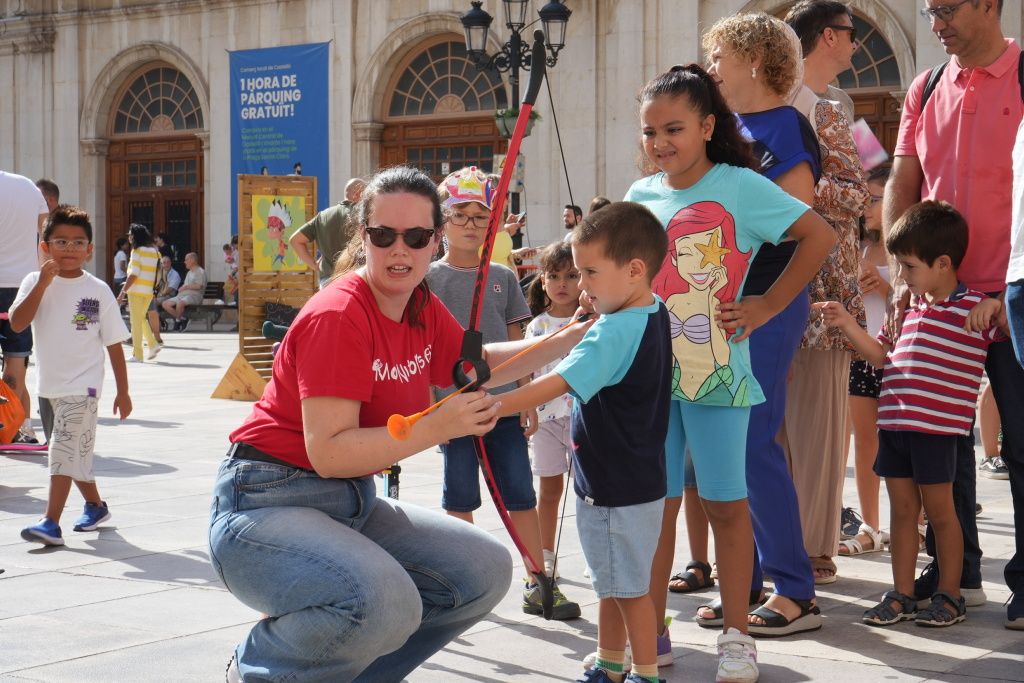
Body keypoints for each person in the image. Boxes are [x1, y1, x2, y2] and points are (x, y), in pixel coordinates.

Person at [209, 166, 592, 681]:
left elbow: (476, 365)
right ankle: (258, 669)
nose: (399, 250)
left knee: (483, 570)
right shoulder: (339, 314)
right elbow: (330, 451)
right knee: (384, 601)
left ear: (435, 241)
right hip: (265, 501)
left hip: (350, 502)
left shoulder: (419, 304)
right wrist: (438, 426)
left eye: (415, 237)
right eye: (383, 235)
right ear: (361, 236)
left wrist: (572, 336)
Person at [626, 64, 834, 682]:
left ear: (707, 126)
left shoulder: (740, 185)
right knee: (656, 510)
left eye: (674, 128)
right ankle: (652, 633)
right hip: (651, 382)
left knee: (726, 505)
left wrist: (768, 305)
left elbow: (815, 235)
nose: (661, 142)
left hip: (719, 377)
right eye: (650, 131)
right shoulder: (641, 198)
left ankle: (738, 638)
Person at [885, 0, 1023, 626]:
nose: (935, 20)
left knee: (1020, 442)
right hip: (939, 300)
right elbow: (902, 179)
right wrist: (899, 273)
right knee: (942, 441)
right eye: (928, 8)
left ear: (989, 5)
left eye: (947, 7)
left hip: (1013, 293)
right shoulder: (926, 84)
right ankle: (954, 574)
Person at [496, 202, 672, 683]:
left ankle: (646, 674)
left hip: (615, 485)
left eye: (590, 273)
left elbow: (553, 385)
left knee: (628, 589)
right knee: (612, 583)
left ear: (635, 270)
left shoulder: (613, 331)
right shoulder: (650, 310)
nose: (582, 286)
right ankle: (611, 664)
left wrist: (490, 406)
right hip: (636, 478)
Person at [816, 200, 1006, 627]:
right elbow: (882, 358)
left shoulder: (972, 308)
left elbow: (1007, 323)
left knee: (942, 514)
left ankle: (951, 595)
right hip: (897, 427)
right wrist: (848, 323)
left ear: (943, 264)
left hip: (938, 431)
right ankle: (901, 593)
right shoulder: (908, 308)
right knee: (903, 513)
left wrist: (995, 305)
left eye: (908, 267)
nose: (900, 278)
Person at [700, 12, 825, 635]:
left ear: (753, 57)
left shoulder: (786, 128)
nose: (713, 69)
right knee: (728, 444)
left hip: (766, 303)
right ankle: (741, 582)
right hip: (726, 304)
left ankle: (794, 589)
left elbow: (800, 228)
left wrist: (766, 306)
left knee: (755, 439)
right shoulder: (730, 129)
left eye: (719, 56)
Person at [427, 166, 582, 621]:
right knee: (459, 494)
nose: (472, 224)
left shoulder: (502, 275)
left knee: (519, 490)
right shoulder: (430, 279)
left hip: (503, 406)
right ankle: (465, 576)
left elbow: (521, 343)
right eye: (461, 215)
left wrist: (527, 398)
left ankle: (538, 578)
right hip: (452, 405)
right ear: (443, 223)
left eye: (481, 216)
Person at [782, 0, 869, 586]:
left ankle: (815, 544)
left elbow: (863, 191)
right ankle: (781, 541)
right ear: (824, 38)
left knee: (819, 421)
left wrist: (797, 193)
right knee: (774, 426)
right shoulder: (762, 107)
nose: (856, 45)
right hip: (762, 281)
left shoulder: (839, 112)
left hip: (826, 288)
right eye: (849, 34)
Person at [11, 205, 131, 546]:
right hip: (48, 387)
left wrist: (123, 391)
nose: (70, 249)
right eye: (61, 241)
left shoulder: (98, 290)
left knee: (61, 451)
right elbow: (19, 322)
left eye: (78, 242)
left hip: (85, 386)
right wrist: (44, 283)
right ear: (45, 246)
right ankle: (95, 505)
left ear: (90, 249)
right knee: (70, 453)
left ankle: (50, 522)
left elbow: (114, 344)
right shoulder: (34, 281)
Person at [841, 165, 892, 557]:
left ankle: (919, 523)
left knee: (906, 444)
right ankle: (871, 526)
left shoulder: (908, 244)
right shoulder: (857, 246)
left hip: (902, 355)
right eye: (866, 198)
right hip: (862, 352)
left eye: (874, 198)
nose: (867, 206)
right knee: (866, 441)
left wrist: (889, 285)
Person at [523, 241, 581, 579]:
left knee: (589, 493)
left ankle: (595, 554)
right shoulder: (537, 325)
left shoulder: (589, 321)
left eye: (571, 275)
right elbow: (527, 372)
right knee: (548, 490)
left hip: (582, 420)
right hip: (545, 421)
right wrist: (527, 407)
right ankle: (545, 555)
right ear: (543, 280)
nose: (562, 283)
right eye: (554, 276)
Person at [0, 170, 50, 444]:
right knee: (16, 358)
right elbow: (45, 240)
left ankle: (14, 428)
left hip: (20, 284)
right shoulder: (28, 188)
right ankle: (10, 429)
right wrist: (44, 283)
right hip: (20, 286)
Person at [784, 0, 857, 122]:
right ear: (830, 36)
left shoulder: (844, 99)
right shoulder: (779, 101)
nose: (855, 45)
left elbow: (859, 142)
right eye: (852, 34)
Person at [291, 177, 366, 287]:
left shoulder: (322, 216)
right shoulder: (363, 215)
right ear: (358, 193)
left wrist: (314, 265)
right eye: (367, 194)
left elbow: (295, 240)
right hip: (355, 279)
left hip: (327, 280)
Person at [116, 224, 160, 362]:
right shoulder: (155, 252)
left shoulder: (136, 251)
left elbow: (134, 274)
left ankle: (138, 355)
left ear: (134, 236)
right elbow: (158, 274)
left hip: (135, 291)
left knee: (135, 322)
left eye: (130, 234)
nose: (129, 237)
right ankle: (152, 345)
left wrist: (123, 292)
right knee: (140, 319)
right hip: (148, 291)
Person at [161, 252, 207, 331]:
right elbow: (186, 285)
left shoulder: (200, 271)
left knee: (180, 303)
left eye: (186, 260)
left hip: (195, 295)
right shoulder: (189, 272)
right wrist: (182, 288)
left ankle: (178, 321)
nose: (184, 262)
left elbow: (199, 286)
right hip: (183, 295)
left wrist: (185, 287)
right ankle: (182, 319)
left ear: (192, 260)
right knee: (165, 304)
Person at [147, 255, 181, 345]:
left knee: (152, 303)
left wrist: (160, 294)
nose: (164, 265)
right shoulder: (159, 273)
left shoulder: (174, 274)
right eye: (162, 263)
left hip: (169, 296)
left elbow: (171, 289)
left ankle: (155, 325)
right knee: (149, 302)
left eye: (166, 262)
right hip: (158, 296)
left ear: (170, 263)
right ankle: (156, 323)